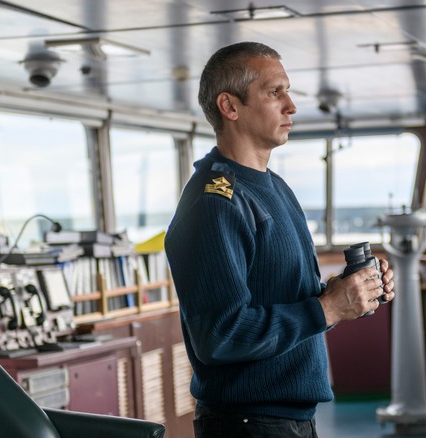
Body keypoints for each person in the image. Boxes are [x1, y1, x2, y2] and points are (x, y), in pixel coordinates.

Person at [164, 41, 395, 438]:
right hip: (248, 425)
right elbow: (220, 336)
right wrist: (328, 309)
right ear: (230, 107)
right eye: (274, 93)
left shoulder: (273, 187)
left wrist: (347, 294)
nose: (291, 105)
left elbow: (285, 299)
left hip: (288, 420)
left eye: (287, 91)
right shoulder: (215, 203)